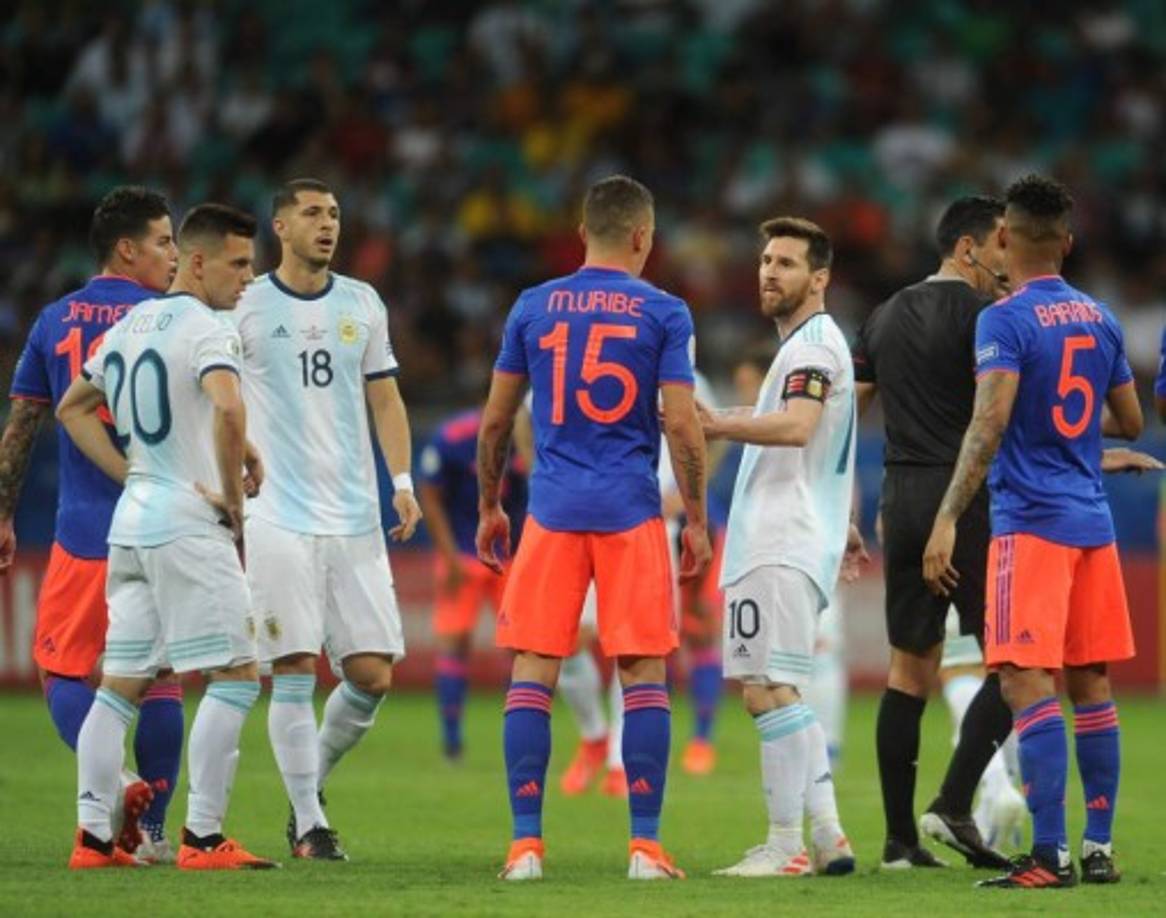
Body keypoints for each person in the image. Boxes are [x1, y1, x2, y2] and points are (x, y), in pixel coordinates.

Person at [476, 174, 712, 881]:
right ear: (644, 236)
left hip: (549, 513)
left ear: (583, 234)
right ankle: (644, 846)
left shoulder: (534, 304)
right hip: (631, 511)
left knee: (533, 671)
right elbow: (682, 424)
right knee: (641, 672)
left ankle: (525, 846)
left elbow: (495, 421)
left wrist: (490, 505)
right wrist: (696, 517)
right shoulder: (667, 312)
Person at [923, 174, 1144, 888]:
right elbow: (1129, 421)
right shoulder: (1101, 317)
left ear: (1006, 238)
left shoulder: (1005, 319)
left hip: (1032, 527)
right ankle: (1099, 847)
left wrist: (949, 515)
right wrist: (1068, 433)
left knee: (1024, 679)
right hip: (1093, 524)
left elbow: (989, 422)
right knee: (1092, 682)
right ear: (1069, 242)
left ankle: (1047, 855)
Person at [57, 202, 275, 870]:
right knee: (237, 673)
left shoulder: (129, 326)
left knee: (118, 686)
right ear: (198, 260)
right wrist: (234, 500)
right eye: (238, 263)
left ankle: (93, 840)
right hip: (186, 523)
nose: (247, 278)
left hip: (133, 523)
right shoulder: (208, 327)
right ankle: (203, 838)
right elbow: (228, 404)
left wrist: (135, 474)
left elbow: (73, 407)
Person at [232, 178, 423, 861]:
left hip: (353, 515)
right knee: (291, 666)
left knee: (372, 675)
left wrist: (400, 480)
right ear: (279, 226)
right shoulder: (245, 305)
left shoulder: (362, 303)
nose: (328, 224)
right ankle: (312, 824)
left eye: (336, 214)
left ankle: (302, 788)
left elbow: (387, 400)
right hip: (277, 511)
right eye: (312, 213)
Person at [0, 186, 185, 861]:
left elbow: (22, 427)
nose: (175, 255)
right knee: (161, 677)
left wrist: (1, 514)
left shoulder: (53, 320)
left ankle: (119, 779)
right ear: (128, 248)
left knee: (63, 675)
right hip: (164, 524)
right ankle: (158, 833)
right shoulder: (172, 316)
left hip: (83, 532)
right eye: (165, 242)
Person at [852, 195, 1017, 870]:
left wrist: (857, 509)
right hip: (967, 499)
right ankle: (952, 803)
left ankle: (898, 843)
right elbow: (1002, 419)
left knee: (909, 670)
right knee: (1018, 663)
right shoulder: (991, 320)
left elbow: (849, 415)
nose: (1010, 263)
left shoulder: (883, 314)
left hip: (903, 494)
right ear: (970, 247)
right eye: (1003, 247)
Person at [701, 217, 861, 878]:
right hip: (785, 534)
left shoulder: (813, 350)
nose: (771, 272)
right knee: (772, 687)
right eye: (767, 260)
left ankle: (784, 843)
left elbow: (797, 428)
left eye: (788, 263)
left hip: (780, 540)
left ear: (818, 278)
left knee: (770, 689)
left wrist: (717, 421)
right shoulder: (805, 347)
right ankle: (826, 835)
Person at [418, 405, 527, 761]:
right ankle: (452, 741)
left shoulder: (529, 435)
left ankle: (519, 735)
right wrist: (448, 557)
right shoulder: (454, 437)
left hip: (511, 556)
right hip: (462, 554)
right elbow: (430, 495)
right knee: (453, 643)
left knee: (524, 649)